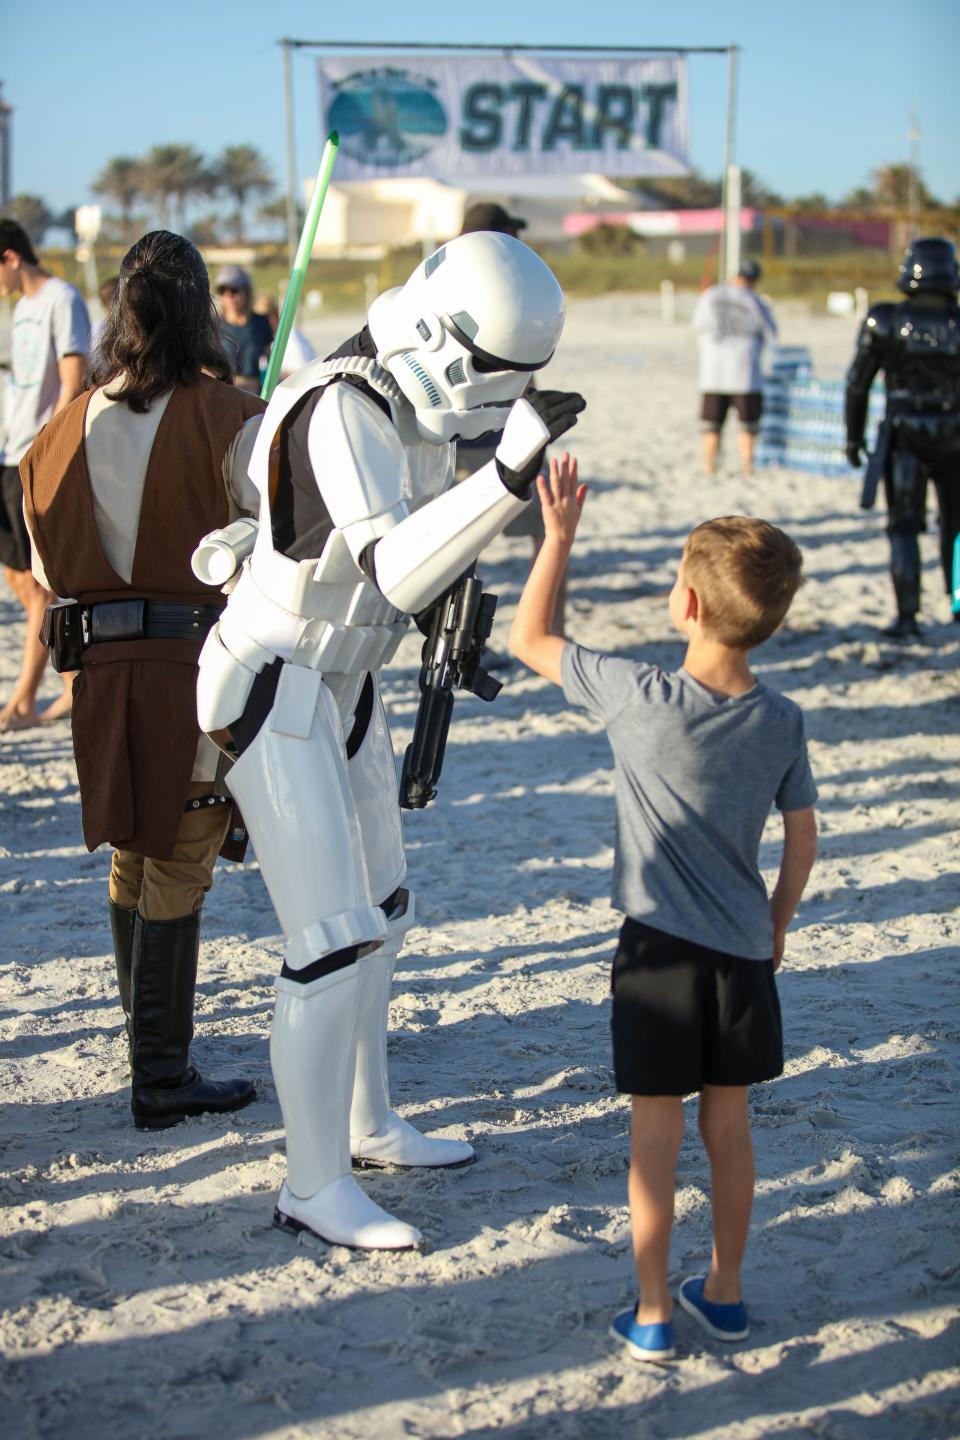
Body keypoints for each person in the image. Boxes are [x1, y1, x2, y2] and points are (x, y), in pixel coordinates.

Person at [196, 231, 586, 1249]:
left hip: (348, 680)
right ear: (440, 333)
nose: (503, 397)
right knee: (330, 938)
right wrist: (503, 480)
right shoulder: (343, 407)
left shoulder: (407, 408)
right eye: (496, 374)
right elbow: (390, 569)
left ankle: (367, 1123)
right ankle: (312, 1180)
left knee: (384, 910)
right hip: (276, 675)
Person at [510, 483, 818, 1362]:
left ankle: (650, 1310)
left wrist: (558, 536)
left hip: (655, 954)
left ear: (684, 603)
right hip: (740, 953)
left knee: (655, 1133)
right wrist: (777, 924)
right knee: (731, 1128)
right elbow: (802, 840)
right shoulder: (783, 720)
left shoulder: (637, 695)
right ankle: (723, 1294)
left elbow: (530, 639)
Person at [20, 230, 265, 1130]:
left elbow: (47, 557)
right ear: (200, 308)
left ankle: (146, 1041)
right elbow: (274, 542)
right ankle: (160, 1072)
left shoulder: (60, 428)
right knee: (179, 851)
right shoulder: (233, 415)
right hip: (195, 667)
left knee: (134, 844)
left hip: (102, 668)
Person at [453, 203, 568, 639]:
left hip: (463, 440)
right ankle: (552, 633)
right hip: (490, 441)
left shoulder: (444, 281)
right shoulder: (504, 287)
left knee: (464, 550)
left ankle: (472, 639)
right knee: (549, 532)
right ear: (496, 238)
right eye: (511, 235)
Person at [845, 236, 960, 640]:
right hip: (955, 432)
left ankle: (908, 615)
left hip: (904, 432)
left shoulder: (885, 319)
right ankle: (958, 603)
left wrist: (853, 437)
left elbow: (858, 384)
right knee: (957, 526)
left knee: (904, 525)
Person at [0, 217, 90, 731]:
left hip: (36, 455)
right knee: (18, 575)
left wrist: (48, 450)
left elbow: (71, 377)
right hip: (9, 452)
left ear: (10, 257)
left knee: (40, 586)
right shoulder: (23, 308)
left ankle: (24, 700)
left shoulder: (61, 297)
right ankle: (71, 685)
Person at [692, 259, 777, 478]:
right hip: (746, 373)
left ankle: (709, 467)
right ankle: (747, 467)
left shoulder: (710, 295)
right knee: (748, 425)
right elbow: (771, 333)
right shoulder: (755, 301)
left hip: (713, 373)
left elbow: (697, 326)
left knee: (711, 425)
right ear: (755, 280)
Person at [215, 264, 273, 393]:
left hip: (255, 396)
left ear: (246, 292)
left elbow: (271, 364)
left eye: (234, 290)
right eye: (223, 290)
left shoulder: (261, 323)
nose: (229, 296)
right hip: (224, 395)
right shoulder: (214, 327)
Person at [255, 293, 316, 378]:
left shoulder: (291, 338)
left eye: (265, 318)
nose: (261, 323)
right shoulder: (261, 340)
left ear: (274, 315)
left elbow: (304, 375)